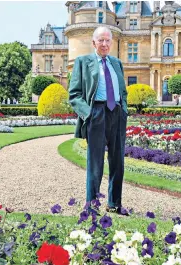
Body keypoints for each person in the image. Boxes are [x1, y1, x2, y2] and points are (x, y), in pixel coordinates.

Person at [68, 26, 128, 215]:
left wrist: (124, 110)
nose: (104, 44)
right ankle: (92, 207)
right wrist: (89, 114)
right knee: (95, 164)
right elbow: (74, 95)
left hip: (116, 114)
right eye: (100, 40)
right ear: (93, 42)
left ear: (111, 42)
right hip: (97, 113)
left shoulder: (117, 63)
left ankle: (114, 204)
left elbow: (123, 91)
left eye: (107, 40)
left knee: (118, 162)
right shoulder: (83, 62)